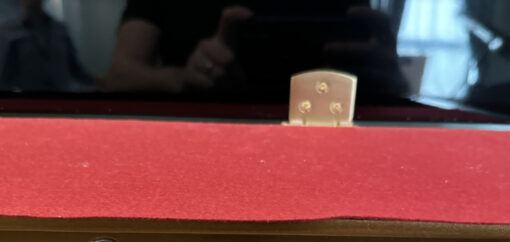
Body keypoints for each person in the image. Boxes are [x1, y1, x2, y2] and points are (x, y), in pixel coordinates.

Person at [104, 1, 408, 99]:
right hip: (198, 137)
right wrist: (185, 77)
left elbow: (386, 81)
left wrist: (389, 80)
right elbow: (117, 76)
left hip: (325, 142)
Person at [0, 0, 92, 92]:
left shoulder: (60, 29)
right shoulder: (8, 30)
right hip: (28, 102)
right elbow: (4, 75)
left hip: (61, 100)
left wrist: (98, 82)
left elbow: (74, 68)